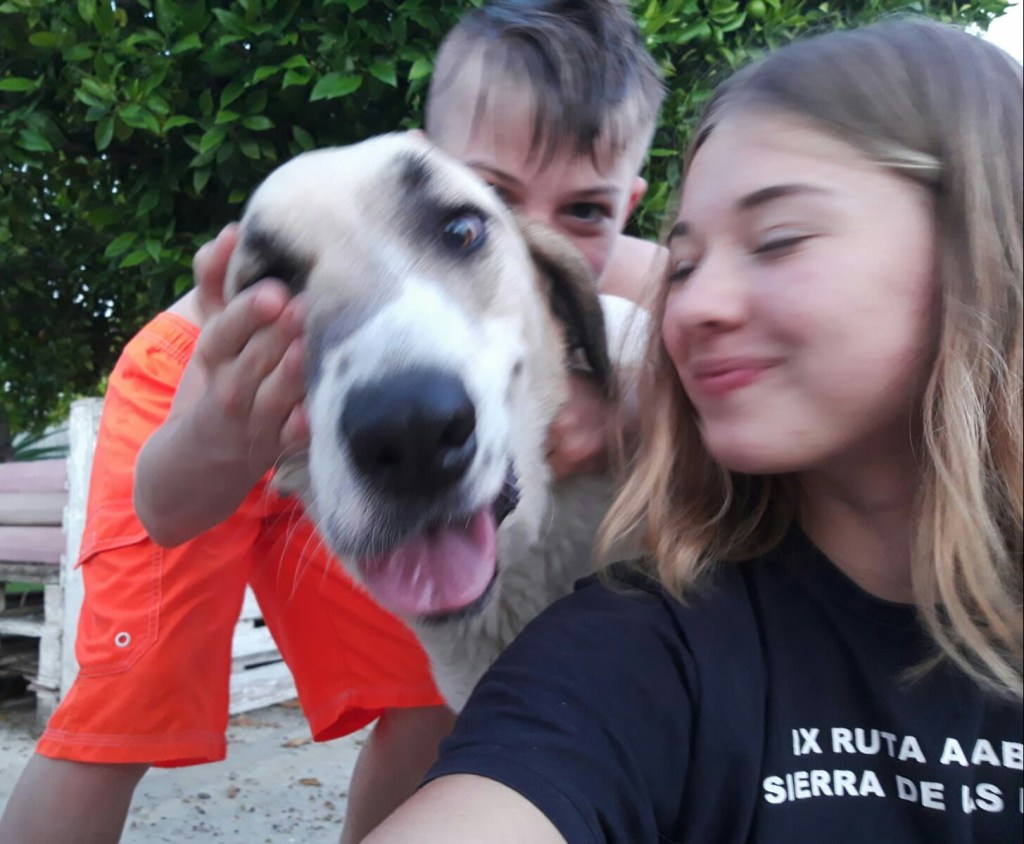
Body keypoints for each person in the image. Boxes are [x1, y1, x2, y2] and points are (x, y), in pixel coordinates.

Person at [0, 2, 665, 842]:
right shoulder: (273, 274)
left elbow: (718, 352)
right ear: (429, 149)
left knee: (422, 701)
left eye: (584, 214)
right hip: (212, 398)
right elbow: (165, 509)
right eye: (487, 203)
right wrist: (222, 441)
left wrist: (627, 404)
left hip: (361, 441)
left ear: (623, 204)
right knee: (125, 708)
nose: (533, 234)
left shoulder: (601, 273)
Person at [361, 18, 1024, 843]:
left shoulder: (604, 306)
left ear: (985, 251)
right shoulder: (648, 650)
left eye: (778, 240)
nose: (694, 305)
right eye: (685, 264)